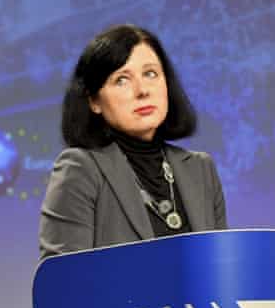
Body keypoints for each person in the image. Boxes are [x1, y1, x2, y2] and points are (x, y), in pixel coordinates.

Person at [38, 24, 226, 257]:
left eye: (150, 74)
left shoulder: (201, 169)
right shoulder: (81, 169)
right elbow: (62, 277)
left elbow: (221, 267)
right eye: (122, 80)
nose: (142, 90)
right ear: (94, 101)